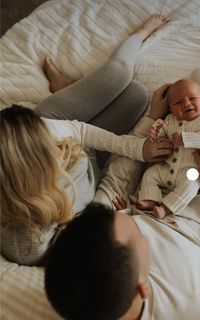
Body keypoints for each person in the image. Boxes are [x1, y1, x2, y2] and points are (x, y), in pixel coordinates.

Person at [45, 51, 200, 320]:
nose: (132, 219)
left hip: (164, 176)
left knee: (196, 82)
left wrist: (151, 119)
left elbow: (116, 185)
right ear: (143, 287)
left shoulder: (77, 270)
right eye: (138, 230)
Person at [0, 14, 172, 266]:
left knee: (122, 74)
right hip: (89, 161)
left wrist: (138, 149)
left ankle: (139, 33)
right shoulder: (27, 243)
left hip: (64, 120)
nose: (57, 146)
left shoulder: (45, 131)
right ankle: (73, 89)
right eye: (51, 148)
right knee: (136, 95)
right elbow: (84, 233)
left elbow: (79, 132)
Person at [133, 78, 200, 218]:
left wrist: (185, 139)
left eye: (192, 98)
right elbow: (160, 136)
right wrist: (156, 133)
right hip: (166, 167)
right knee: (150, 174)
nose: (186, 103)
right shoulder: (170, 120)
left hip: (190, 170)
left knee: (192, 184)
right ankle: (150, 199)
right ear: (171, 108)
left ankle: (166, 208)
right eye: (178, 102)